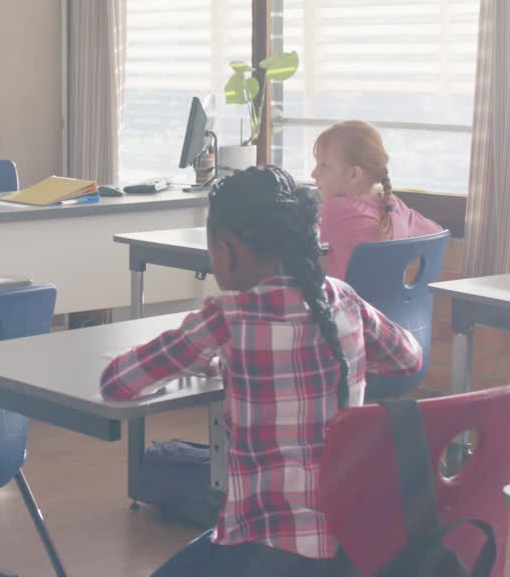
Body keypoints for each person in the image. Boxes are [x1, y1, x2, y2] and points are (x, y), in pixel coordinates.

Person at [100, 165, 422, 576]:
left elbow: (117, 384)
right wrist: (339, 358)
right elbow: (409, 358)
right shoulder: (344, 300)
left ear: (228, 249)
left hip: (265, 547)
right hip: (353, 542)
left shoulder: (227, 316)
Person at [310, 120, 442, 279]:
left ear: (354, 174)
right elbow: (436, 234)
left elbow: (291, 239)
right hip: (400, 304)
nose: (314, 174)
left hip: (349, 303)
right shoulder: (393, 204)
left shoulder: (335, 210)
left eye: (324, 165)